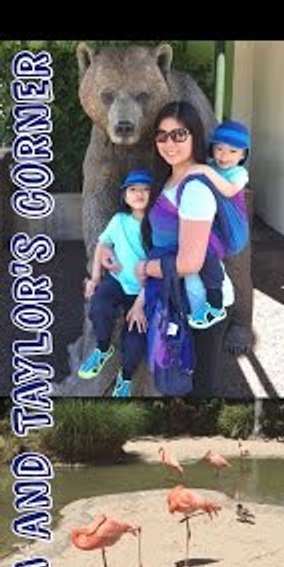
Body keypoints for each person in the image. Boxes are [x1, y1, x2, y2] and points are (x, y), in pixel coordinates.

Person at [135, 101, 235, 397]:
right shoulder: (166, 180)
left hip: (204, 306)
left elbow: (190, 262)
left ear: (195, 136)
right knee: (179, 380)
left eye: (179, 135)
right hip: (177, 300)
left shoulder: (194, 188)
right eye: (162, 135)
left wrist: (144, 269)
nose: (169, 143)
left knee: (202, 388)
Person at [79, 169, 152, 397]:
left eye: (145, 189)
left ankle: (126, 376)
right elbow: (103, 244)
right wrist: (95, 278)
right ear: (124, 195)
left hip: (144, 290)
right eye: (133, 189)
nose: (139, 194)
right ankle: (103, 348)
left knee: (136, 339)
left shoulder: (157, 224)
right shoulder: (119, 220)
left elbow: (160, 270)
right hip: (118, 280)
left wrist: (140, 305)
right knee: (99, 305)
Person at [186, 119, 251, 330]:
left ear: (243, 155)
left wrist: (204, 171)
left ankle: (215, 305)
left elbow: (230, 190)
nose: (224, 155)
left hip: (232, 229)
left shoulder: (238, 173)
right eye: (219, 148)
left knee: (206, 255)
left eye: (233, 151)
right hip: (216, 226)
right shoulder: (212, 166)